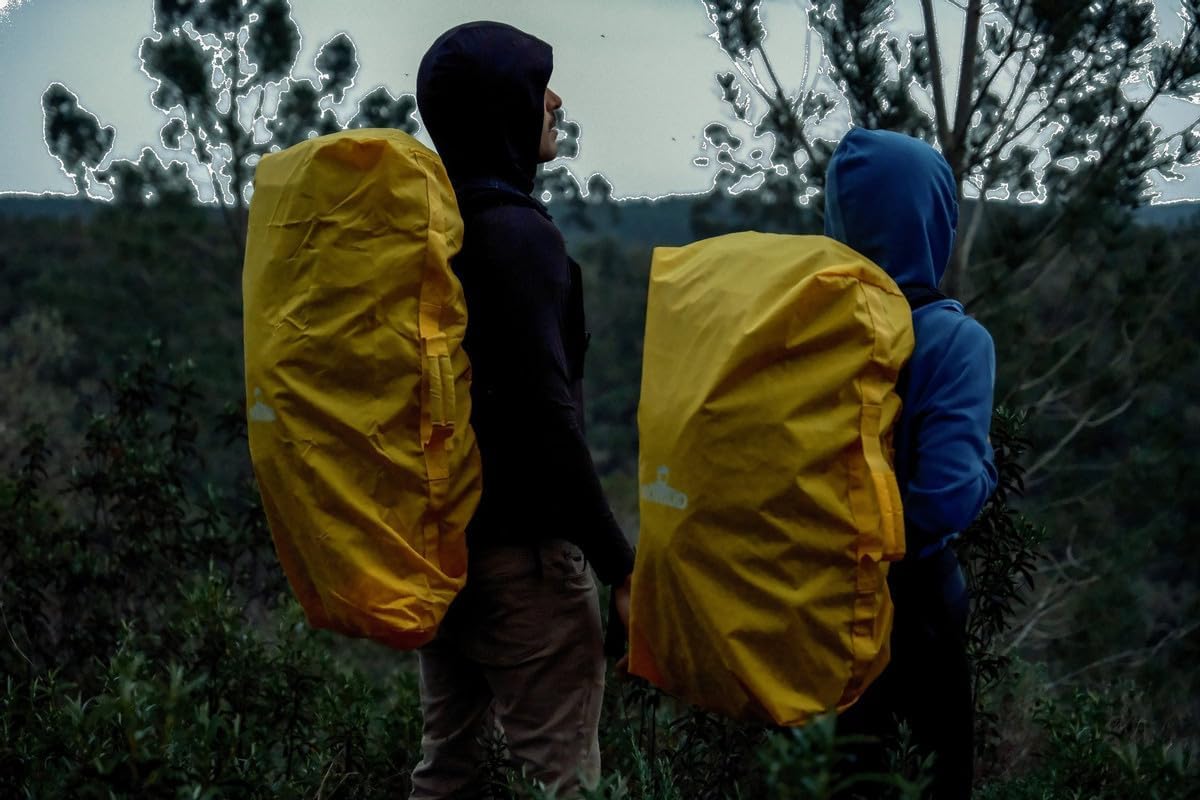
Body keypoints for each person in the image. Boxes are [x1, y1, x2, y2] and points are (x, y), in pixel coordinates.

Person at [410, 21, 635, 799]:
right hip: (527, 569)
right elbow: (548, 419)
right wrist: (619, 564)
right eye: (537, 86)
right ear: (499, 108)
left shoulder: (435, 233)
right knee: (562, 779)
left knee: (447, 769)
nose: (555, 100)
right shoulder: (517, 237)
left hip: (446, 554)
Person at [824, 128, 999, 799]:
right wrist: (988, 471)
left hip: (813, 599)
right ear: (932, 218)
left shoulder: (807, 328)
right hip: (913, 613)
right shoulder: (954, 341)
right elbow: (945, 497)